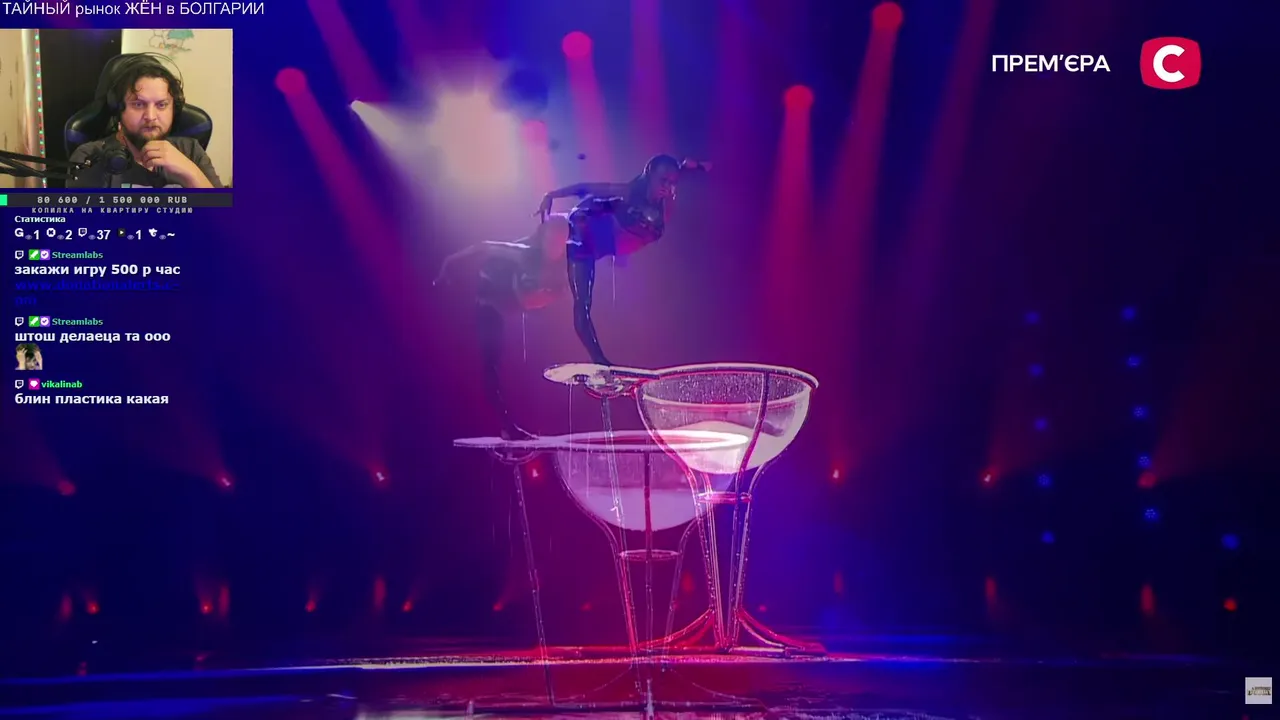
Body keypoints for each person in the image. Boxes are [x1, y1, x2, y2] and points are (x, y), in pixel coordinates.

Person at [534, 154, 709, 367]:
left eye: (671, 182)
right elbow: (588, 187)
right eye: (663, 181)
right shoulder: (628, 194)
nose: (667, 187)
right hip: (586, 237)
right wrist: (551, 194)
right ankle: (600, 360)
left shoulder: (667, 191)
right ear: (649, 175)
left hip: (609, 233)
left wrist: (698, 166)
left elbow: (681, 168)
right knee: (582, 303)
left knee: (613, 219)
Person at [435, 215, 571, 440]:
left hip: (515, 303)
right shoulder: (524, 253)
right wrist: (449, 262)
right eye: (552, 240)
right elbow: (484, 247)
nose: (556, 247)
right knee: (492, 364)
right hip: (491, 301)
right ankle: (505, 425)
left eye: (561, 241)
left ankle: (517, 421)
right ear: (542, 238)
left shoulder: (567, 259)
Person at [68, 57, 222, 189]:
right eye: (138, 104)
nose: (150, 116)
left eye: (161, 105)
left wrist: (190, 174)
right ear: (119, 110)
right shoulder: (90, 157)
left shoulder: (191, 151)